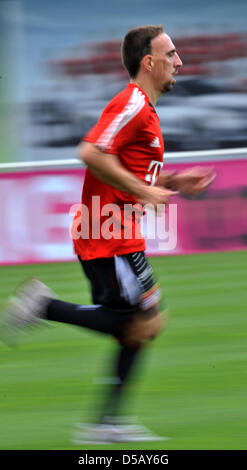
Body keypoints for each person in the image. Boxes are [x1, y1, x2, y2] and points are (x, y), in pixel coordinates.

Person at [2, 25, 215, 443]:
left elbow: (132, 174)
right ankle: (46, 309)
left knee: (140, 325)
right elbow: (89, 152)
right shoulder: (133, 103)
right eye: (171, 55)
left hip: (114, 232)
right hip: (108, 234)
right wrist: (144, 190)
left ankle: (106, 423)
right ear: (148, 62)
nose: (180, 62)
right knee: (143, 323)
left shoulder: (146, 111)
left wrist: (173, 182)